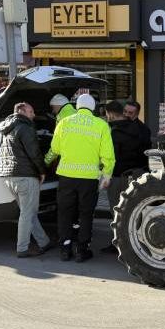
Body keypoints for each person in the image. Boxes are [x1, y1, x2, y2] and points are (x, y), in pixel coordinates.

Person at [45, 94, 115, 262]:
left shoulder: (64, 122)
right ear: (93, 108)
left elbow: (55, 149)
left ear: (77, 106)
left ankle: (65, 249)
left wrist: (44, 162)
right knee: (85, 214)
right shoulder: (101, 125)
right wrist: (107, 175)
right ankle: (82, 250)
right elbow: (108, 155)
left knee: (65, 214)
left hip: (66, 177)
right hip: (89, 179)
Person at [0, 102, 55, 258]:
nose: (34, 115)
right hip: (25, 176)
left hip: (8, 175)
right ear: (22, 112)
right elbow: (34, 153)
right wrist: (42, 171)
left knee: (29, 212)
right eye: (31, 111)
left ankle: (44, 242)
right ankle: (22, 248)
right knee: (27, 213)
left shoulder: (4, 128)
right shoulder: (25, 127)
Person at [102, 101, 148, 253]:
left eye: (131, 113)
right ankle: (135, 241)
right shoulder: (141, 130)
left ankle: (120, 243)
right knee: (134, 211)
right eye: (126, 112)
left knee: (116, 210)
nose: (128, 115)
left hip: (120, 176)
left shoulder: (114, 131)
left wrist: (106, 175)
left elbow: (112, 157)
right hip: (136, 174)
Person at [124, 100, 152, 166]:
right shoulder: (120, 125)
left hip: (135, 167)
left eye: (130, 113)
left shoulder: (143, 129)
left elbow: (144, 152)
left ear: (137, 113)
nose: (126, 114)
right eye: (125, 111)